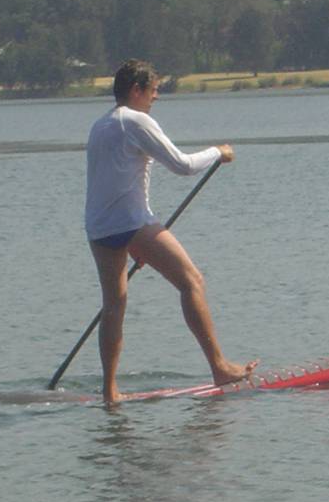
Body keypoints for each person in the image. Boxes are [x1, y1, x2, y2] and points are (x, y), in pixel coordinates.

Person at [85, 59, 257, 404]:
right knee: (192, 281)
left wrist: (136, 246)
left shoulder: (100, 125)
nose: (156, 97)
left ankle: (109, 391)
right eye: (153, 90)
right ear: (136, 90)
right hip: (131, 223)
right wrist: (218, 152)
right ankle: (220, 367)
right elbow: (183, 165)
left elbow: (115, 183)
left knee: (114, 305)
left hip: (99, 226)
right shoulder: (136, 121)